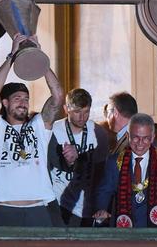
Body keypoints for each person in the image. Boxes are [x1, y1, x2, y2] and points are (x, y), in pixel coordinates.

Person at [0, 33, 63, 226]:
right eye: (17, 98)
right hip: (5, 210)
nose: (23, 103)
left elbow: (58, 95)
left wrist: (38, 57)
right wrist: (12, 56)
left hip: (38, 209)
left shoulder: (38, 126)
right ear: (5, 102)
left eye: (26, 99)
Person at [93, 113, 157, 228]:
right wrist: (101, 209)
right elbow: (104, 191)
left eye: (146, 138)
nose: (140, 143)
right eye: (135, 137)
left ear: (153, 137)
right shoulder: (114, 162)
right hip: (124, 230)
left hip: (155, 232)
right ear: (127, 135)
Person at [48, 88, 109, 227]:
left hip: (88, 206)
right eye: (77, 112)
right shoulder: (53, 131)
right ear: (66, 109)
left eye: (86, 111)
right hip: (59, 204)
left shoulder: (98, 133)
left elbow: (103, 172)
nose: (82, 117)